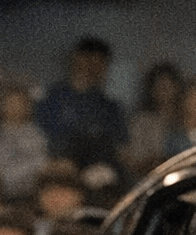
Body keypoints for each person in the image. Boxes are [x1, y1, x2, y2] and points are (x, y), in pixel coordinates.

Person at [35, 37, 128, 177]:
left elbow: (121, 148)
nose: (96, 68)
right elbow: (40, 140)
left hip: (101, 177)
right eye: (91, 60)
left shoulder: (109, 106)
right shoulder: (52, 98)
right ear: (77, 59)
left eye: (102, 63)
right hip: (61, 175)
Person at [0, 84, 49, 202]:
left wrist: (0, 178)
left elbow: (38, 167)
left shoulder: (37, 137)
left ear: (27, 106)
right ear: (1, 105)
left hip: (24, 196)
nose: (14, 107)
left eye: (19, 103)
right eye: (10, 102)